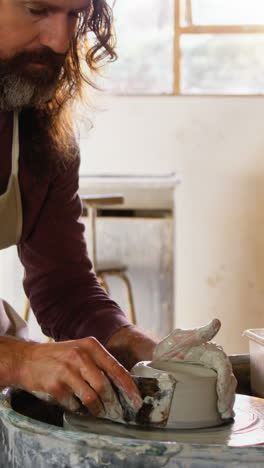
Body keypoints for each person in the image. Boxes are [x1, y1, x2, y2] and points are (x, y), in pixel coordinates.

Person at [0, 0, 236, 420]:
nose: (60, 41)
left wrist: (143, 349)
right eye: (38, 10)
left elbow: (64, 290)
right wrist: (19, 359)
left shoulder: (39, 132)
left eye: (75, 15)